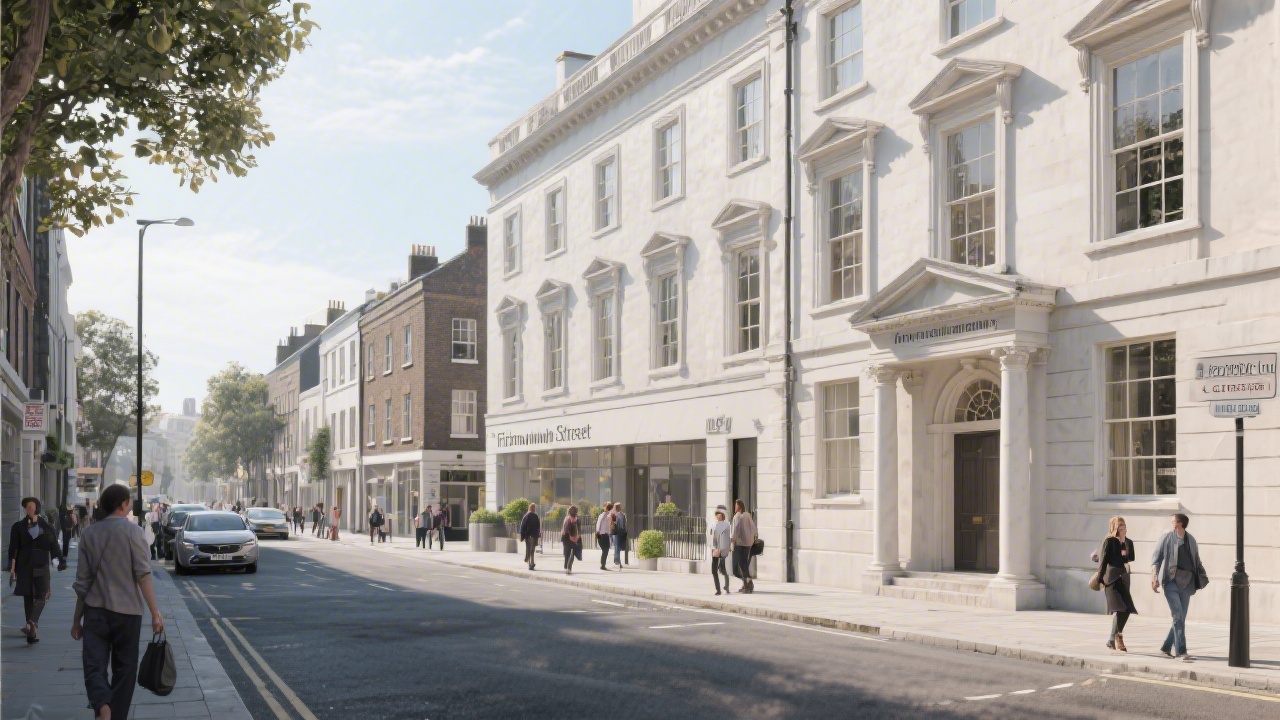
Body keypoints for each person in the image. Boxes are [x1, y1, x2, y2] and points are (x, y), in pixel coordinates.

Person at [71, 483, 165, 720]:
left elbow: (82, 583)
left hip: (95, 612)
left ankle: (102, 707)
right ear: (123, 504)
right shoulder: (134, 532)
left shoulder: (89, 534)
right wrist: (155, 611)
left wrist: (76, 620)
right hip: (128, 613)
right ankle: (117, 716)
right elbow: (143, 575)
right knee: (124, 669)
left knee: (94, 665)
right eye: (129, 501)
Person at [9, 497, 67, 644]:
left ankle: (32, 621)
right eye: (26, 507)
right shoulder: (18, 527)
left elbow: (54, 545)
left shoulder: (47, 527)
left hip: (42, 565)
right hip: (25, 565)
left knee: (44, 594)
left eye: (30, 506)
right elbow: (14, 547)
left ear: (37, 507)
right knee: (28, 596)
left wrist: (60, 560)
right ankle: (32, 633)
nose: (28, 509)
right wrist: (12, 566)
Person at [1150, 513, 1206, 662]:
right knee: (1178, 616)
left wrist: (1202, 577)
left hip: (1187, 583)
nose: (1171, 523)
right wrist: (1154, 578)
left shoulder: (1191, 540)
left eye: (1173, 521)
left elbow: (1197, 561)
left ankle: (1166, 647)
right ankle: (1181, 651)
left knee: (1180, 617)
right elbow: (1156, 559)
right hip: (1170, 581)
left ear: (1179, 523)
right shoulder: (1166, 537)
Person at [1091, 516, 1137, 651]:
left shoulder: (1128, 542)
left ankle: (1116, 635)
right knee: (1119, 608)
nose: (1123, 528)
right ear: (1114, 527)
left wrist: (1123, 542)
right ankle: (1114, 637)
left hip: (1124, 577)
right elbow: (1105, 560)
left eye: (1124, 526)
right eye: (1120, 526)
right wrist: (1100, 578)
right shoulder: (1109, 541)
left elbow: (1129, 557)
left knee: (1127, 608)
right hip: (1111, 579)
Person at [730, 499, 756, 594]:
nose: (735, 507)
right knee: (743, 564)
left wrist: (731, 541)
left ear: (739, 506)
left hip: (739, 543)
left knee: (736, 568)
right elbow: (754, 528)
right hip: (748, 543)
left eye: (736, 505)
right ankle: (746, 584)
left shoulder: (737, 516)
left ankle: (748, 582)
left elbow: (735, 530)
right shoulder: (748, 515)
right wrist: (751, 539)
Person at [709, 506, 732, 595]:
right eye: (717, 514)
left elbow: (726, 538)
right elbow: (713, 538)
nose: (718, 516)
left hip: (722, 549)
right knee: (715, 570)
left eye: (719, 514)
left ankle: (726, 586)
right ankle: (719, 589)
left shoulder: (725, 525)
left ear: (722, 515)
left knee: (722, 569)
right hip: (716, 549)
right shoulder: (716, 525)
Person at [519, 503, 541, 570]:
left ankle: (530, 562)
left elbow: (522, 526)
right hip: (532, 535)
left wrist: (522, 535)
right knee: (531, 550)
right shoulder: (534, 516)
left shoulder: (527, 516)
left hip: (528, 535)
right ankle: (531, 563)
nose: (535, 509)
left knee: (529, 549)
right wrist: (538, 534)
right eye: (534, 507)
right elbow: (538, 527)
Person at [561, 506, 581, 575]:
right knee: (570, 554)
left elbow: (564, 529)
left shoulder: (568, 519)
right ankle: (568, 567)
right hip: (569, 538)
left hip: (568, 538)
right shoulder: (572, 519)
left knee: (569, 553)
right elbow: (578, 530)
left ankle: (567, 567)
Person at [595, 501, 613, 571]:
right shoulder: (603, 515)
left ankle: (603, 564)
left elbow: (610, 524)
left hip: (606, 535)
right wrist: (598, 533)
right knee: (605, 550)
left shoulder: (609, 515)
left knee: (606, 550)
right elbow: (598, 524)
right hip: (602, 535)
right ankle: (602, 564)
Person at [610, 503, 627, 569]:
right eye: (619, 507)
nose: (620, 508)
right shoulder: (613, 515)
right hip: (616, 532)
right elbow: (612, 524)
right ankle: (618, 561)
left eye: (620, 506)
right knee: (617, 546)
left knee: (619, 547)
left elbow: (624, 523)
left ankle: (616, 559)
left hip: (622, 532)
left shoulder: (622, 515)